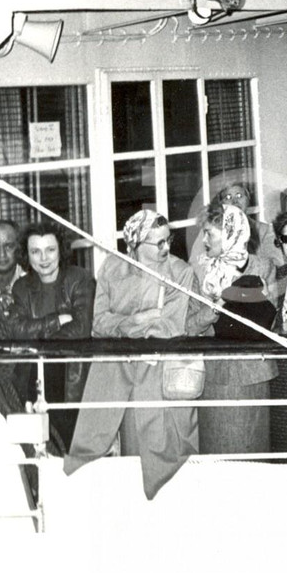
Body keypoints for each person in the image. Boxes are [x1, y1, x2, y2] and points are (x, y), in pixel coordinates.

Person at [65, 210, 198, 499]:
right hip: (112, 374)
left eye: (168, 240)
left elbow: (170, 327)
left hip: (157, 376)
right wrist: (139, 319)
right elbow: (99, 325)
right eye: (158, 243)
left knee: (160, 459)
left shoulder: (181, 272)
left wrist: (122, 325)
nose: (166, 248)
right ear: (135, 244)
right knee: (108, 456)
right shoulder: (112, 267)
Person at [191, 202, 278, 454]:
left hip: (253, 374)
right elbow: (190, 324)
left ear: (231, 233)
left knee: (253, 452)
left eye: (209, 233)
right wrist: (215, 308)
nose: (204, 240)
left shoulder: (263, 267)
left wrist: (255, 299)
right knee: (216, 453)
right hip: (214, 375)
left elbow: (268, 322)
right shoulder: (201, 272)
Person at [6, 222, 95, 450]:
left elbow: (82, 328)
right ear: (27, 255)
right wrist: (57, 320)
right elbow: (16, 329)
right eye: (35, 251)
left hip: (70, 372)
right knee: (34, 445)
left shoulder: (80, 279)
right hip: (33, 373)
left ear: (61, 250)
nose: (43, 258)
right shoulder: (21, 287)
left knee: (67, 445)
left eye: (50, 250)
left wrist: (39, 338)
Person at [188, 180, 284, 271]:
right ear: (222, 204)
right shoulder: (210, 231)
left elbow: (277, 265)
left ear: (248, 200)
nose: (234, 201)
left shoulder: (265, 231)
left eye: (239, 196)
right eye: (228, 197)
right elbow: (194, 264)